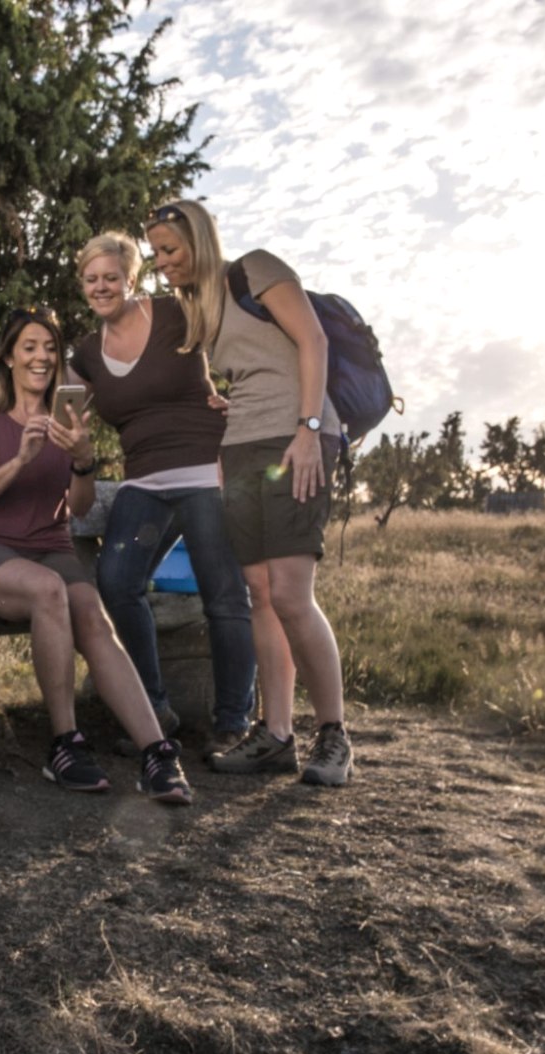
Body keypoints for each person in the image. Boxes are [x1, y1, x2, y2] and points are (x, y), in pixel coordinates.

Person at [140, 200, 354, 784]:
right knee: (259, 591)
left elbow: (312, 342)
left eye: (171, 250)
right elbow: (261, 367)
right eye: (156, 254)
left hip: (297, 439)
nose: (163, 263)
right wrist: (228, 408)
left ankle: (334, 735)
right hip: (242, 447)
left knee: (290, 593)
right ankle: (277, 735)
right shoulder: (201, 308)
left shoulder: (255, 269)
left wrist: (309, 432)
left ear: (202, 240)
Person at [0, 304, 193, 804]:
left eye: (50, 348)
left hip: (50, 546)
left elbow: (78, 509)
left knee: (93, 617)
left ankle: (156, 753)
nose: (41, 357)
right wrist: (20, 460)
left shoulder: (71, 419)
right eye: (29, 347)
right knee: (49, 591)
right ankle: (64, 744)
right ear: (10, 358)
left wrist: (82, 461)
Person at [67, 232, 258, 759]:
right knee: (116, 580)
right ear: (82, 284)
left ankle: (232, 722)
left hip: (205, 470)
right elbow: (50, 405)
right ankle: (154, 709)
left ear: (131, 279)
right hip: (144, 481)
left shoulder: (178, 312)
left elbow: (247, 346)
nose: (101, 287)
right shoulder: (84, 355)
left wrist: (240, 401)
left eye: (111, 277)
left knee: (224, 595)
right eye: (91, 279)